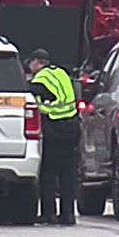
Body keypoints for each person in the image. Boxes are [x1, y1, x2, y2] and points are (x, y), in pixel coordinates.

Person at [25, 48, 80, 225]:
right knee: (68, 176)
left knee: (48, 174)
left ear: (36, 62)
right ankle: (68, 214)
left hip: (54, 130)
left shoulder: (41, 79)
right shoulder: (62, 73)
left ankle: (49, 213)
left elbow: (42, 95)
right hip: (71, 129)